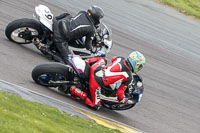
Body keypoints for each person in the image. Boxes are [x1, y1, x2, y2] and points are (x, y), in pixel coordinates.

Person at [70, 51, 146, 109]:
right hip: (96, 81)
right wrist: (123, 99)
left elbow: (113, 59)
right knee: (95, 105)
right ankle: (75, 91)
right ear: (136, 65)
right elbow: (120, 93)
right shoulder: (128, 77)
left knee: (103, 59)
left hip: (96, 68)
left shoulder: (120, 58)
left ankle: (86, 61)